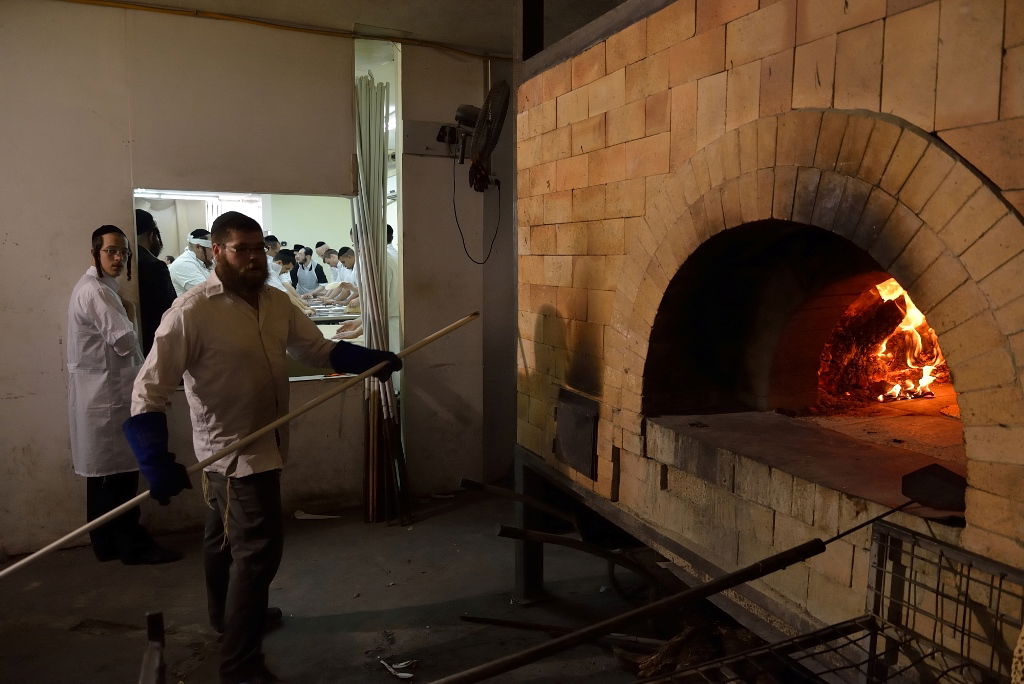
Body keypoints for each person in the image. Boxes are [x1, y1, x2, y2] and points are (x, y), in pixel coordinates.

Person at [124, 211, 401, 684]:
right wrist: (154, 459)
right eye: (241, 250)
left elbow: (316, 350)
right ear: (218, 252)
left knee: (220, 539)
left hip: (269, 438)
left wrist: (370, 361)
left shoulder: (274, 301)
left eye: (258, 249)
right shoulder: (191, 311)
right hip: (233, 454)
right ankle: (240, 663)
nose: (254, 259)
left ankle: (225, 619)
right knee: (258, 551)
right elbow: (148, 390)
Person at [67, 225, 181, 565]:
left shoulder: (98, 288)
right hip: (107, 398)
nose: (119, 258)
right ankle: (130, 545)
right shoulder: (97, 293)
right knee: (117, 476)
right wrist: (131, 313)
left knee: (104, 476)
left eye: (124, 253)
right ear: (95, 253)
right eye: (111, 251)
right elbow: (124, 341)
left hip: (101, 396)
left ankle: (106, 543)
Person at [134, 209, 176, 356]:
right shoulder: (155, 266)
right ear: (152, 235)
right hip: (156, 344)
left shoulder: (128, 261)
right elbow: (171, 311)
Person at [168, 228, 214, 296]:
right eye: (211, 248)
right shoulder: (183, 264)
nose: (214, 253)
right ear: (198, 247)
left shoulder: (205, 261)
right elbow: (209, 292)